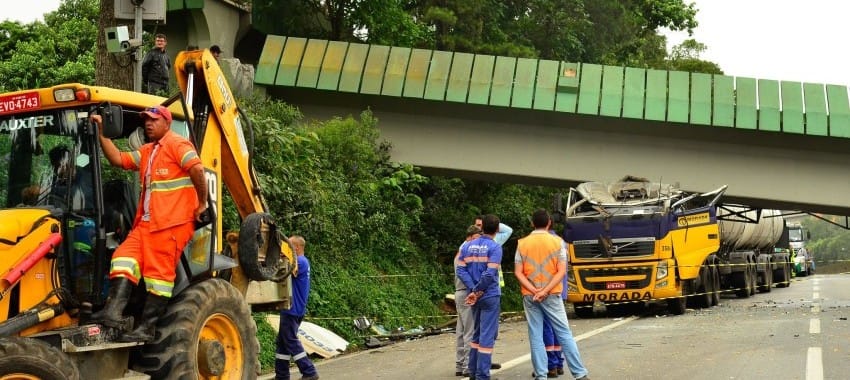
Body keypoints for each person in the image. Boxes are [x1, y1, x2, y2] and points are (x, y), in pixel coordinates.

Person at [89, 105, 207, 343]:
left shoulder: (178, 144)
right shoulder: (148, 151)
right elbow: (118, 159)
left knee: (159, 278)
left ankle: (147, 328)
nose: (147, 124)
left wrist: (202, 202)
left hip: (170, 225)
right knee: (122, 259)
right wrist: (102, 133)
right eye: (146, 120)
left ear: (166, 122)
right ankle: (113, 312)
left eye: (153, 120)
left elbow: (197, 168)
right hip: (145, 225)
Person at [514, 209, 589, 380]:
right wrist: (545, 291)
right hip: (552, 295)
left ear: (532, 223)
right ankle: (579, 374)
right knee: (564, 333)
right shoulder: (558, 242)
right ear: (549, 223)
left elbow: (518, 273)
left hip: (530, 296)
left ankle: (541, 375)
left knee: (535, 334)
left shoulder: (522, 243)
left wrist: (535, 291)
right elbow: (561, 271)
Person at [456, 214, 503, 380]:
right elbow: (490, 274)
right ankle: (483, 374)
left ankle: (473, 372)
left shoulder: (467, 246)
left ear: (481, 227)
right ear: (497, 229)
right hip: (488, 295)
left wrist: (472, 290)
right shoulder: (495, 247)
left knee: (476, 333)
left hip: (473, 296)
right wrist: (478, 290)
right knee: (487, 336)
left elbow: (460, 270)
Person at [275, 235, 320, 380]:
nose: (286, 248)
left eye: (289, 245)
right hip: (293, 308)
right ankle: (282, 375)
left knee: (290, 340)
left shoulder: (299, 262)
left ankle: (309, 371)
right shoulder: (301, 262)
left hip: (292, 309)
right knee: (282, 342)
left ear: (297, 247)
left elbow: (282, 271)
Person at [474, 215, 512, 370]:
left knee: (486, 331)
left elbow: (508, 230)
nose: (477, 227)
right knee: (482, 332)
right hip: (484, 291)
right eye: (475, 225)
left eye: (480, 225)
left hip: (485, 290)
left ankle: (482, 363)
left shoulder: (493, 242)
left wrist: (492, 224)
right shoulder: (472, 244)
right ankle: (480, 368)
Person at [455, 225, 481, 377]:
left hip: (459, 293)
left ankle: (459, 364)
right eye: (477, 238)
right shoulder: (467, 251)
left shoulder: (460, 250)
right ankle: (467, 367)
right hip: (467, 293)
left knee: (461, 331)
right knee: (469, 331)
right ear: (470, 237)